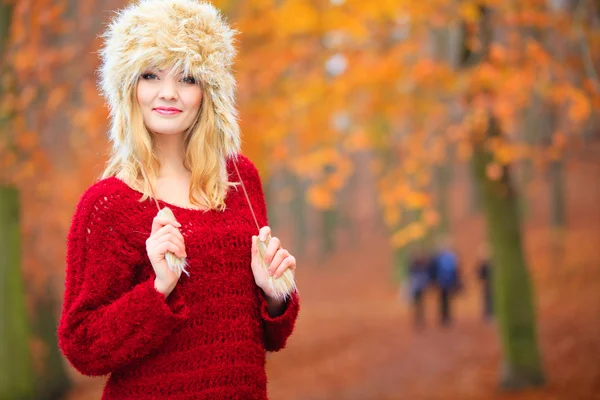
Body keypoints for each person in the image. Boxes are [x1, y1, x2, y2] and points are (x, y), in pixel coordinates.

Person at [57, 1, 299, 398]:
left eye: (187, 77)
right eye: (151, 75)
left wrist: (275, 295)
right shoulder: (107, 205)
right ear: (128, 87)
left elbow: (266, 337)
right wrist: (157, 290)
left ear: (210, 91)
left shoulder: (239, 179)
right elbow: (82, 345)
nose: (168, 93)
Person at [433, 241, 460, 326]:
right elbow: (433, 270)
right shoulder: (439, 258)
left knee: (447, 300)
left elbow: (456, 270)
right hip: (442, 282)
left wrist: (456, 281)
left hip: (448, 282)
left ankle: (447, 317)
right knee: (443, 300)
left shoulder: (450, 257)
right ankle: (444, 317)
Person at [408, 250, 429, 329]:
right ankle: (419, 319)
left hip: (417, 287)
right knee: (420, 304)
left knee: (418, 304)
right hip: (420, 287)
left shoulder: (415, 268)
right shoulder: (422, 267)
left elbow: (410, 276)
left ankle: (419, 319)